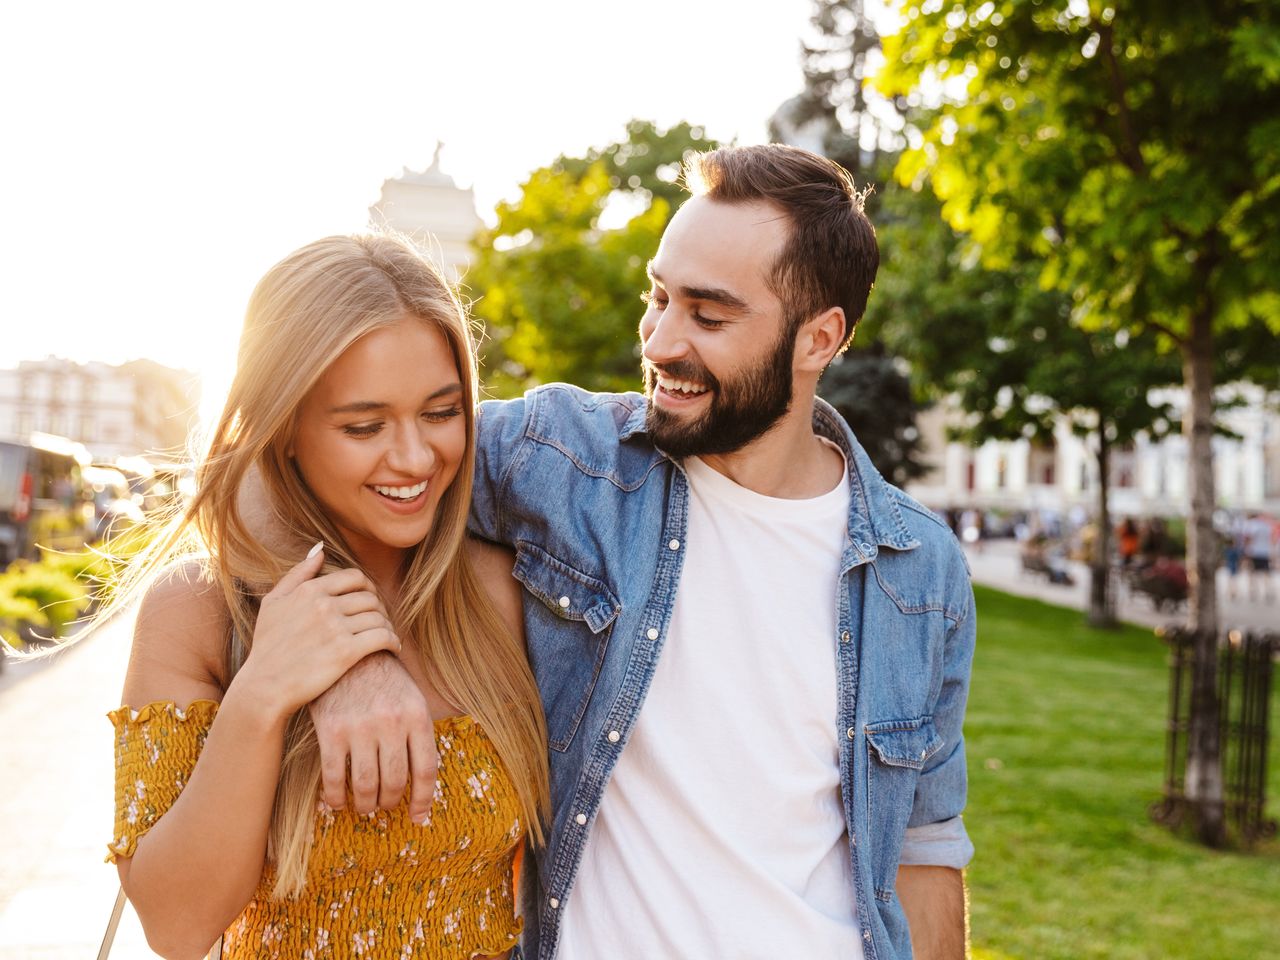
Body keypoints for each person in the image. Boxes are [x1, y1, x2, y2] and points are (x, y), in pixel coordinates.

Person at [310, 145, 976, 960]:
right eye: (657, 296)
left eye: (708, 314)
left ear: (819, 338)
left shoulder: (922, 568)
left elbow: (925, 846)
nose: (660, 341)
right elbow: (285, 469)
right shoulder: (563, 460)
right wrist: (352, 658)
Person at [105, 235, 548, 959]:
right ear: (284, 431)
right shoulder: (195, 611)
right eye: (363, 426)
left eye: (441, 413)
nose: (414, 458)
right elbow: (177, 927)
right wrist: (266, 692)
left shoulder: (503, 591)